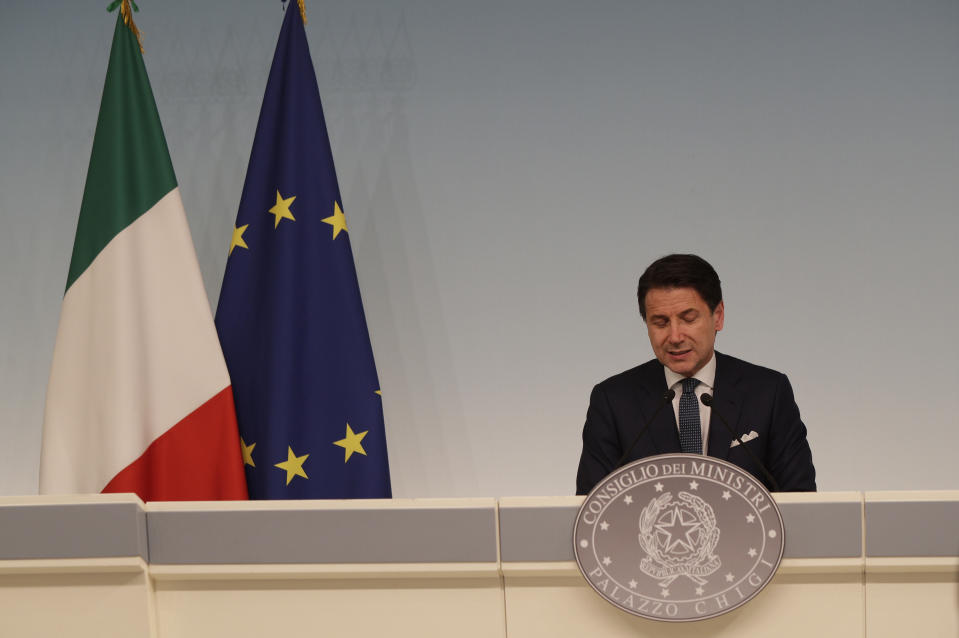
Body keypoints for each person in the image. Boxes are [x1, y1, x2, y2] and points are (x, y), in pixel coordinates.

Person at [575, 254, 816, 495]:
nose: (675, 336)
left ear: (718, 316)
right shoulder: (612, 400)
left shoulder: (768, 393)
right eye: (660, 323)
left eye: (688, 319)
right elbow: (592, 509)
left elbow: (801, 500)